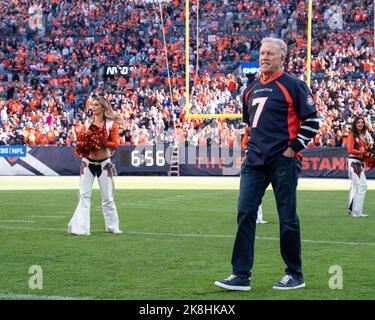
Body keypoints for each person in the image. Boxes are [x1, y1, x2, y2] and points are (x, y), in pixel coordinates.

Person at [215, 37, 320, 291]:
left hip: (282, 162)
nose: (264, 57)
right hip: (254, 162)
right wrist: (250, 150)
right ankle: (241, 274)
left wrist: (290, 150)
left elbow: (312, 124)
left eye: (270, 54)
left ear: (282, 57)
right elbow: (249, 125)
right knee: (245, 212)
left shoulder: (293, 85)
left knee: (287, 218)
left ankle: (294, 273)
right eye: (262, 53)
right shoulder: (249, 89)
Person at [67, 96, 123, 235]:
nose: (93, 107)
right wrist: (83, 145)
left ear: (103, 107)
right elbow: (82, 140)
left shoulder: (111, 124)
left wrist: (101, 142)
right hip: (87, 163)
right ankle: (81, 228)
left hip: (104, 164)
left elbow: (115, 144)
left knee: (108, 197)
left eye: (96, 105)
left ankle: (112, 226)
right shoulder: (87, 122)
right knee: (84, 195)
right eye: (92, 105)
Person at [347, 116, 373, 218]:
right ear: (355, 123)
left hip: (359, 163)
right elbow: (350, 150)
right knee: (363, 185)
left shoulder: (365, 135)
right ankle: (356, 212)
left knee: (356, 186)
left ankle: (352, 209)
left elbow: (367, 150)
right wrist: (364, 153)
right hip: (354, 162)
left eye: (362, 122)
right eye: (358, 122)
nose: (360, 124)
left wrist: (369, 153)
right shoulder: (352, 134)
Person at [241, 126, 268, 224]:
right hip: (252, 165)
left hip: (260, 165)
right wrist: (247, 134)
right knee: (254, 194)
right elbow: (243, 145)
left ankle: (258, 217)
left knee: (258, 194)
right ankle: (256, 217)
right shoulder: (250, 140)